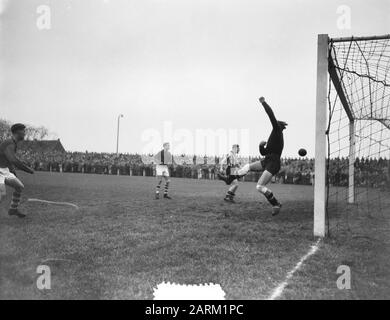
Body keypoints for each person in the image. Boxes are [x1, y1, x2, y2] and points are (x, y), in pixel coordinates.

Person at [219, 97, 287, 215]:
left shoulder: (277, 131)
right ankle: (229, 179)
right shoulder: (275, 136)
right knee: (247, 167)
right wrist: (261, 146)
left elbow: (271, 115)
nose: (274, 124)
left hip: (273, 163)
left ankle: (276, 204)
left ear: (278, 126)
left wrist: (263, 102)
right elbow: (264, 153)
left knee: (259, 186)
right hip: (267, 160)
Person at [0, 123, 34, 218]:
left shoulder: (13, 143)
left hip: (4, 170)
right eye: (23, 131)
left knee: (19, 186)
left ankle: (13, 209)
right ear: (17, 132)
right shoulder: (9, 143)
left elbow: (8, 160)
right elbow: (13, 160)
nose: (25, 133)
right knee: (2, 193)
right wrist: (28, 169)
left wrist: (12, 172)